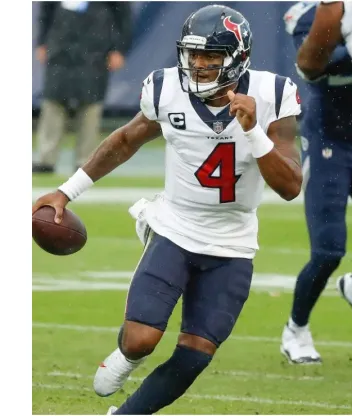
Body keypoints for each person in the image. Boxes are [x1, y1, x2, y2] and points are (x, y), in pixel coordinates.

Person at [31, 5, 302, 414]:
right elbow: (124, 141)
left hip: (233, 241)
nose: (199, 65)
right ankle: (125, 357)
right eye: (193, 55)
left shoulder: (271, 94)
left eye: (211, 57)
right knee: (140, 339)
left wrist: (253, 130)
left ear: (239, 57)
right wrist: (66, 192)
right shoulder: (166, 88)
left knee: (195, 354)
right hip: (175, 228)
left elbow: (290, 186)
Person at [279, 1, 352, 366]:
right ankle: (295, 328)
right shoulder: (305, 15)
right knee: (329, 251)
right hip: (327, 141)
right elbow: (315, 65)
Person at [33, 1, 131, 174]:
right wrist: (41, 42)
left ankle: (85, 161)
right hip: (60, 47)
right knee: (53, 102)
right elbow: (46, 11)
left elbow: (123, 15)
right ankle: (45, 159)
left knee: (90, 105)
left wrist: (119, 49)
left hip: (95, 49)